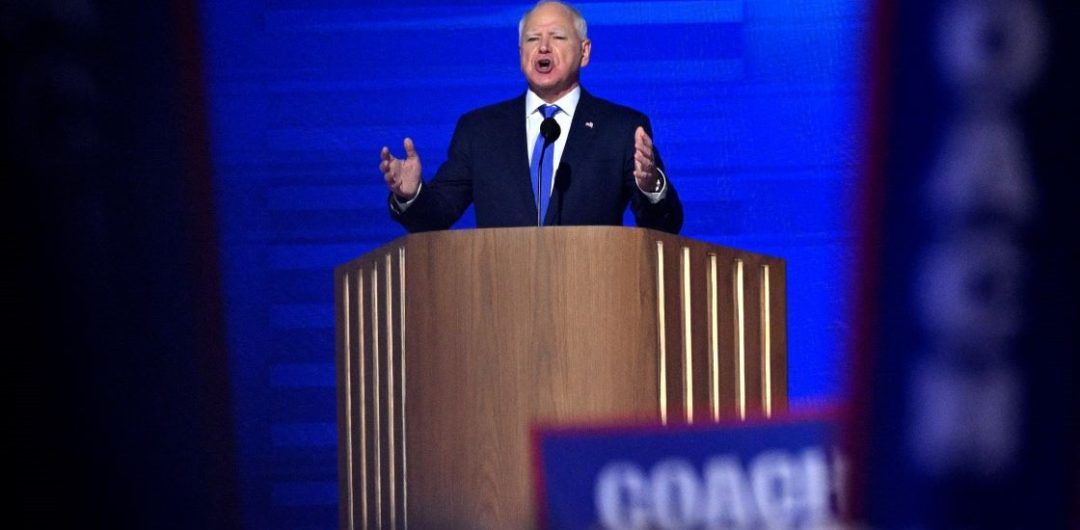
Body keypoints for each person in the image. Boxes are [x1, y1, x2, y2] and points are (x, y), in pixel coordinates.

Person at [379, 0, 683, 234]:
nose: (544, 47)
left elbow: (664, 227)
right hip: (500, 300)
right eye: (532, 39)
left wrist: (652, 186)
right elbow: (435, 217)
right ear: (520, 52)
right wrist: (411, 194)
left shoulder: (622, 128)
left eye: (558, 37)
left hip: (592, 298)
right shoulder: (479, 131)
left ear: (584, 52)